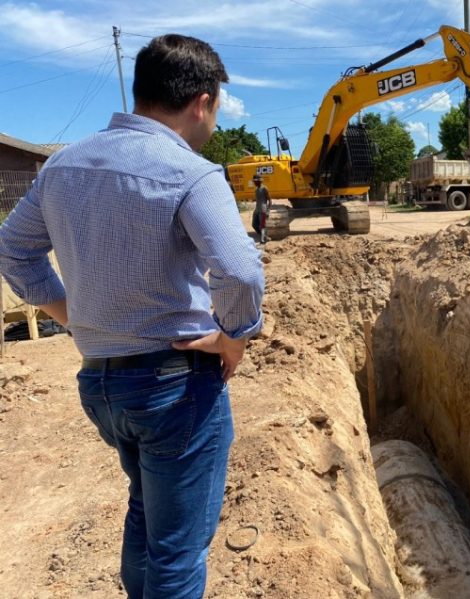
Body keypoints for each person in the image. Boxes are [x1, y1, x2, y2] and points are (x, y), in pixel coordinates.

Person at [0, 34, 264, 599]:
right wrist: (234, 337)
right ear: (203, 100)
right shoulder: (192, 173)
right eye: (216, 108)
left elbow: (12, 248)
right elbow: (240, 271)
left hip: (101, 384)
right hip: (175, 388)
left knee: (146, 515)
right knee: (177, 553)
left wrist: (73, 315)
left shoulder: (62, 166)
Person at [251, 174, 272, 243]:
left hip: (263, 209)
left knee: (262, 225)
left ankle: (263, 239)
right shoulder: (256, 189)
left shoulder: (264, 188)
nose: (254, 183)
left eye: (255, 181)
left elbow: (270, 200)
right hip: (257, 209)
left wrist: (268, 211)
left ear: (259, 181)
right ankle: (264, 236)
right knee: (254, 224)